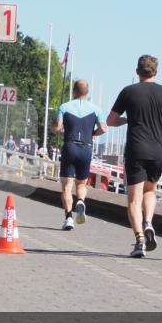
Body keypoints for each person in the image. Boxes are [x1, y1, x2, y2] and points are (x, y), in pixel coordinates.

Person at [107, 55, 162, 257]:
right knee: (151, 190)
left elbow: (110, 121)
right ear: (156, 72)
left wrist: (127, 120)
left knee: (134, 200)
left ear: (137, 72)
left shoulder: (129, 92)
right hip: (159, 150)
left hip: (136, 149)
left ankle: (140, 240)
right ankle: (149, 222)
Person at [52, 79, 107, 230]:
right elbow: (103, 128)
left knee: (66, 187)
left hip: (70, 146)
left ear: (74, 91)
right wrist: (92, 133)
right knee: (81, 183)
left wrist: (54, 129)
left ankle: (68, 218)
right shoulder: (96, 109)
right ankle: (81, 201)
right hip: (86, 148)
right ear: (87, 92)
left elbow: (57, 127)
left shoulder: (64, 107)